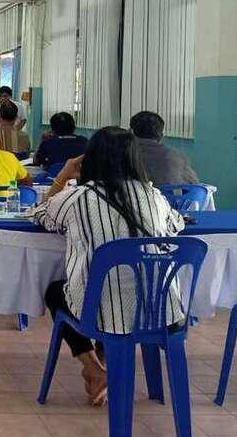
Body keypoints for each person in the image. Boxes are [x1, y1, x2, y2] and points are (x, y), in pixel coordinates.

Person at [32, 127, 185, 406]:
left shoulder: (78, 197)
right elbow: (176, 224)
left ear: (90, 159)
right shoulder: (153, 196)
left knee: (61, 291)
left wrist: (63, 176)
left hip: (100, 311)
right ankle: (104, 363)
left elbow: (40, 214)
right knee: (116, 290)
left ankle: (94, 369)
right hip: (161, 311)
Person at [129, 111, 199, 185]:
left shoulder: (125, 155)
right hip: (172, 193)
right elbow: (195, 186)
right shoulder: (178, 157)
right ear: (161, 136)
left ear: (131, 133)